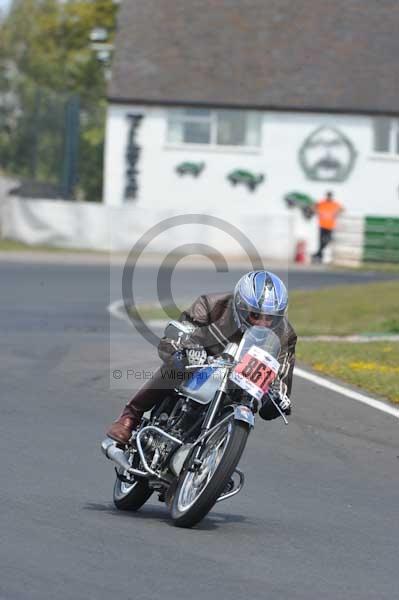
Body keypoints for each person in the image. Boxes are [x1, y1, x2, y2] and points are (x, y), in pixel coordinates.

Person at [106, 270, 297, 444]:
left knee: (261, 405)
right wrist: (188, 348)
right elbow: (173, 338)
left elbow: (280, 380)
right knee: (180, 362)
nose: (263, 323)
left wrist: (278, 398)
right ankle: (130, 416)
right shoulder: (211, 305)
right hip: (201, 364)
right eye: (255, 315)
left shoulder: (285, 335)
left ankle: (215, 460)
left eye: (270, 318)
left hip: (240, 383)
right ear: (240, 306)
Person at [312, 191, 344, 262]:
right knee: (321, 242)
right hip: (322, 225)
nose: (329, 197)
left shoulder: (335, 204)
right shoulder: (322, 203)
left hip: (330, 226)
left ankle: (317, 254)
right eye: (328, 196)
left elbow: (342, 209)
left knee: (327, 240)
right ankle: (319, 257)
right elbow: (314, 207)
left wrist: (337, 213)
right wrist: (317, 212)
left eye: (330, 196)